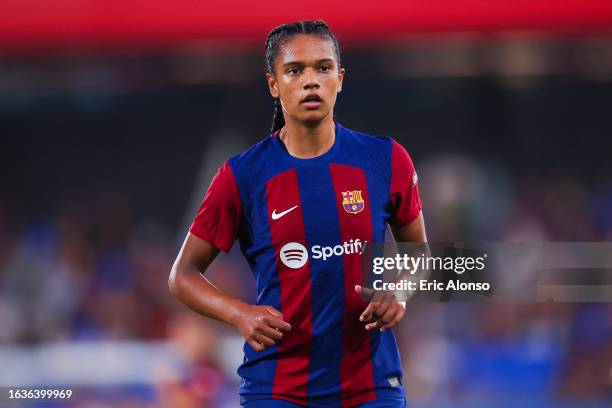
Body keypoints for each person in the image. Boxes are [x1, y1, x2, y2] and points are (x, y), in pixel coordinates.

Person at [168, 20, 427, 408]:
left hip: (370, 387)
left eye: (323, 68)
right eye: (295, 70)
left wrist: (400, 293)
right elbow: (182, 275)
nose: (311, 81)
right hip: (277, 390)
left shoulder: (386, 159)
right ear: (274, 84)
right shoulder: (242, 175)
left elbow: (420, 254)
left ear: (340, 79)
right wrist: (239, 313)